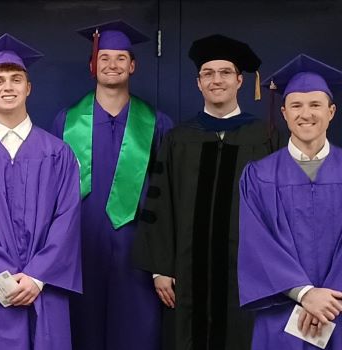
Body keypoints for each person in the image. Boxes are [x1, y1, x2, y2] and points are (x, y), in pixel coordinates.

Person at [131, 34, 274, 350]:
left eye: (225, 73)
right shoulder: (178, 138)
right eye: (208, 73)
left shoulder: (265, 137)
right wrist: (160, 269)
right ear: (198, 83)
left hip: (247, 273)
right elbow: (161, 203)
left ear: (239, 80)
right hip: (187, 273)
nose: (216, 80)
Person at [0, 34, 82, 350]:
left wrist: (36, 277)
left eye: (16, 79)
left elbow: (67, 220)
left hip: (46, 288)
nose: (8, 87)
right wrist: (4, 280)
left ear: (29, 88)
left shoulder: (58, 153)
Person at [49, 20, 173, 350]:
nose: (112, 65)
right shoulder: (66, 121)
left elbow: (167, 198)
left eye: (121, 58)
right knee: (82, 331)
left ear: (132, 65)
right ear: (93, 65)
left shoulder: (157, 123)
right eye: (104, 57)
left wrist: (162, 262)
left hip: (138, 253)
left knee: (135, 334)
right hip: (79, 249)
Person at [238, 54, 342, 350]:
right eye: (296, 105)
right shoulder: (258, 176)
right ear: (284, 112)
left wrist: (327, 298)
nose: (305, 113)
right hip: (283, 312)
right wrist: (306, 294)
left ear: (331, 111)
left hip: (338, 308)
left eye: (315, 105)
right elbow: (256, 244)